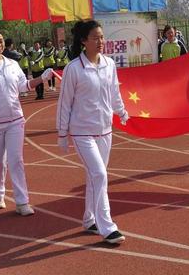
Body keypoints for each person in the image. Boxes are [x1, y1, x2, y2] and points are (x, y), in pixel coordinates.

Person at [56, 20, 128, 244]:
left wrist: (122, 112)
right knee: (99, 174)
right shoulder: (73, 68)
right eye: (95, 38)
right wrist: (62, 133)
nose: (101, 42)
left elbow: (114, 93)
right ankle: (107, 226)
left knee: (94, 176)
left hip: (105, 131)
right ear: (83, 41)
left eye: (102, 37)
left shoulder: (109, 64)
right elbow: (64, 102)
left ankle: (89, 219)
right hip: (82, 132)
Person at [0, 29, 54, 214]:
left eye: (1, 42)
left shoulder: (13, 65)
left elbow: (24, 86)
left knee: (16, 160)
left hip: (15, 119)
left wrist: (42, 78)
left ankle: (22, 202)